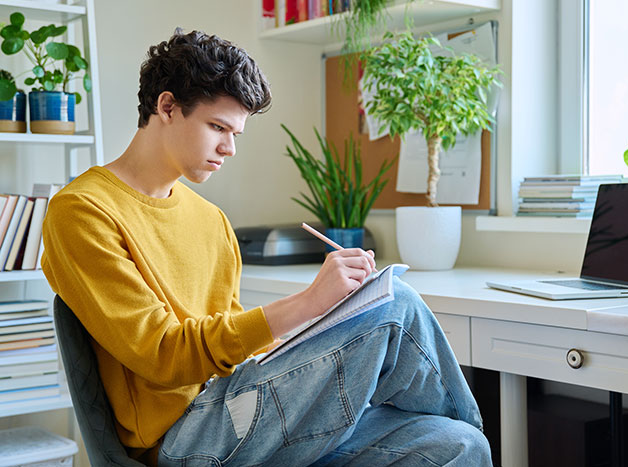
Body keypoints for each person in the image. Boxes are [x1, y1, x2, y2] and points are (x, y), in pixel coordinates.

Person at [41, 29, 492, 466]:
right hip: (186, 437)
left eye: (237, 133)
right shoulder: (82, 211)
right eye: (218, 126)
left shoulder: (209, 219)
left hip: (239, 401)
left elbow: (232, 340)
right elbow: (163, 354)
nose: (229, 147)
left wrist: (323, 326)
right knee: (399, 306)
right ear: (167, 106)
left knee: (459, 443)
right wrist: (306, 303)